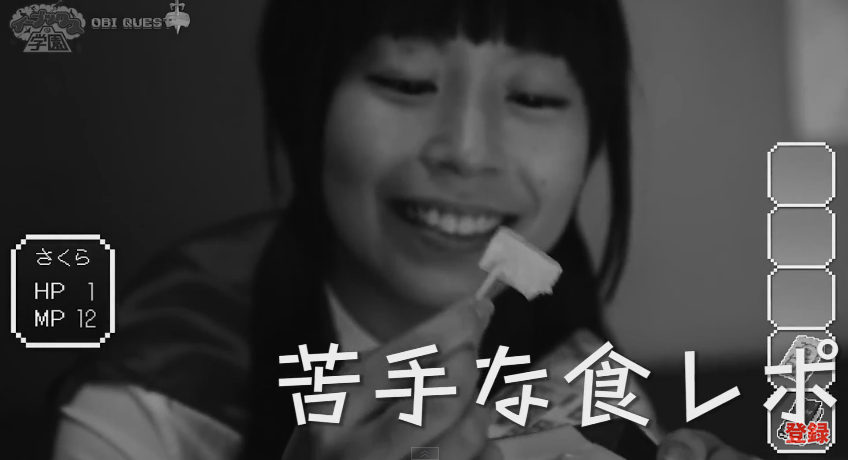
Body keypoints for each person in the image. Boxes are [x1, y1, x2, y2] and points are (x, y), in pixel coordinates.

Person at [49, 0, 756, 459]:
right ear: (307, 106)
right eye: (406, 83)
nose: (467, 152)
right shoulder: (154, 396)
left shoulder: (583, 372)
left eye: (534, 96)